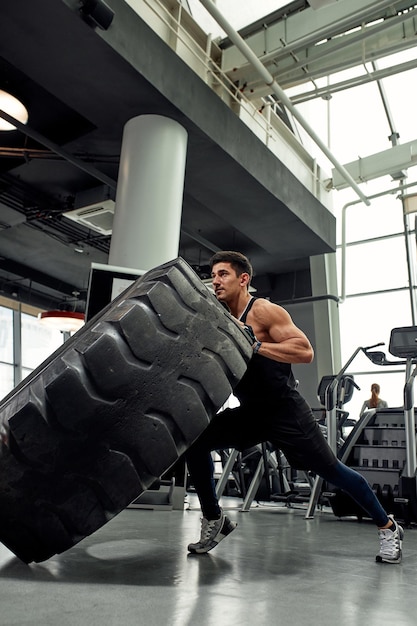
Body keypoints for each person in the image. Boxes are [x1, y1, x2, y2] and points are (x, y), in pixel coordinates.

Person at [186, 251, 404, 563]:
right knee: (195, 442)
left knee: (331, 470)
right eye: (214, 274)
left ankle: (387, 527)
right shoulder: (220, 319)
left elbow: (304, 351)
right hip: (251, 412)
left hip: (285, 411)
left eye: (223, 274)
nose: (216, 280)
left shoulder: (263, 311)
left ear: (243, 279)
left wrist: (256, 346)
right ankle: (214, 518)